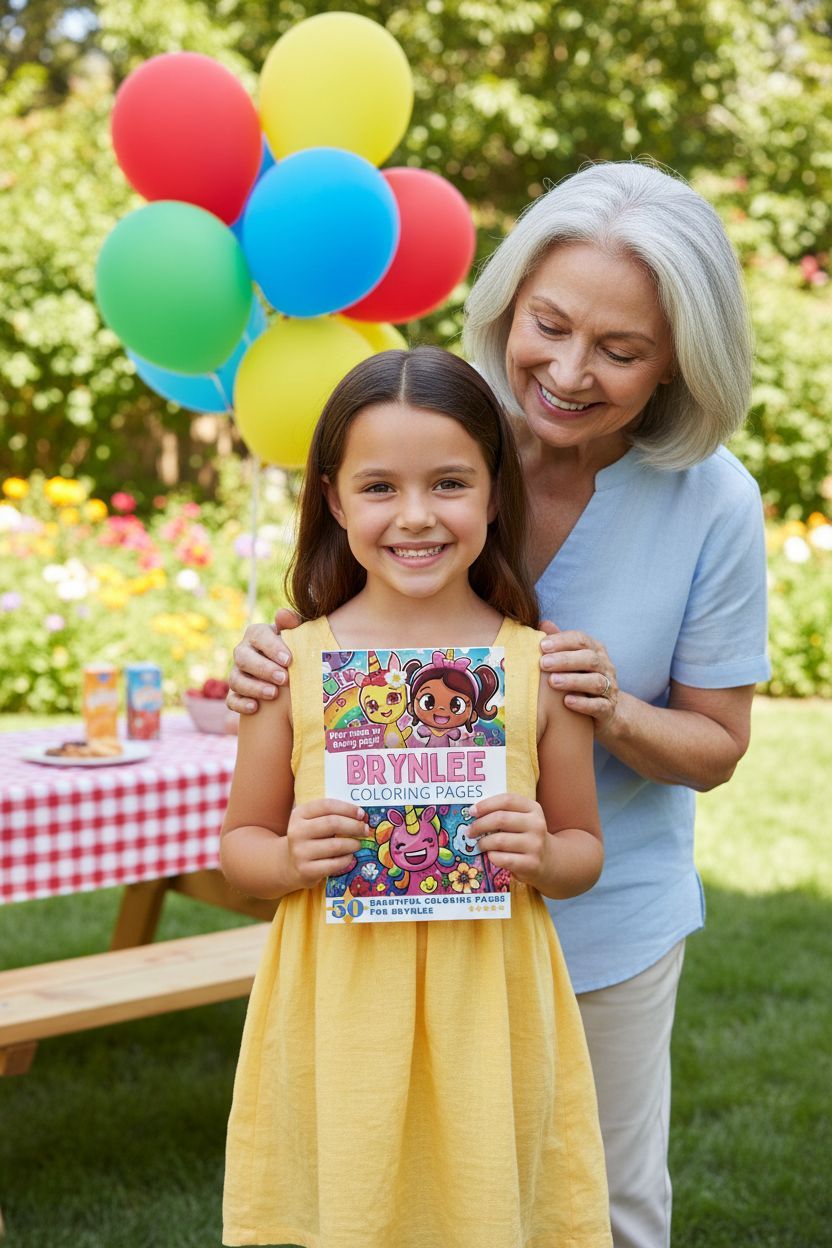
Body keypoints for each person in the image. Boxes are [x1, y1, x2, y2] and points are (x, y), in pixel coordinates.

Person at [227, 161, 771, 1248]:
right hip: (380, 951)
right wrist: (264, 666)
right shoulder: (443, 435)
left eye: (620, 351)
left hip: (597, 925)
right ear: (507, 306)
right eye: (549, 325)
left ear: (675, 365)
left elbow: (715, 746)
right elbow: (338, 612)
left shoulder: (712, 504)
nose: (569, 372)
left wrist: (608, 706)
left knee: (591, 1206)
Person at [220, 347, 613, 1248]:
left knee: (484, 1206)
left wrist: (546, 851)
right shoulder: (293, 663)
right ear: (333, 498)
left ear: (493, 492)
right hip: (337, 1011)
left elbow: (585, 849)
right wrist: (285, 858)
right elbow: (239, 841)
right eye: (379, 488)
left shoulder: (537, 664)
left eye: (447, 483)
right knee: (346, 1213)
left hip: (492, 1009)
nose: (416, 516)